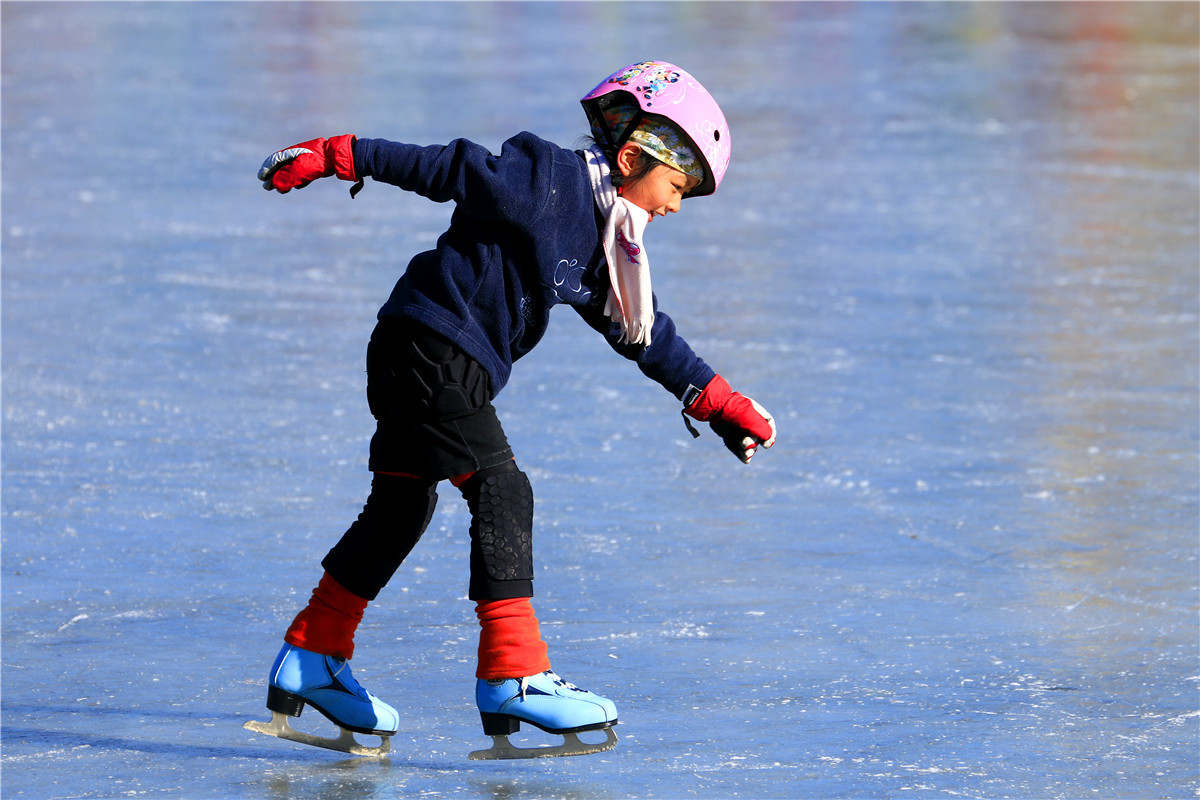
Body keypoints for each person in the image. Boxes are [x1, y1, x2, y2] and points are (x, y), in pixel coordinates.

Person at [249, 60, 777, 759]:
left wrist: (716, 402)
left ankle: (312, 654)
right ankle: (514, 672)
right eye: (679, 186)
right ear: (633, 157)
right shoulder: (547, 178)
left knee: (402, 506)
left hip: (427, 356)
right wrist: (338, 155)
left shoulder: (601, 243)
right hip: (431, 346)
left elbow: (643, 334)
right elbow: (449, 168)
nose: (676, 207)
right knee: (501, 487)